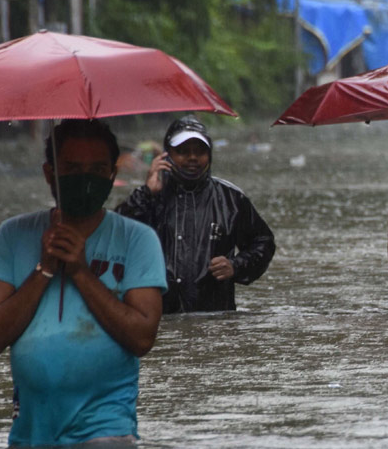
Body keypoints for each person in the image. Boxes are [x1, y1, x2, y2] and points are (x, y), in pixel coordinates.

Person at [0, 119, 166, 448]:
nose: (86, 177)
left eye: (97, 168)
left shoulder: (138, 239)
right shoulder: (12, 235)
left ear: (112, 173)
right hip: (31, 431)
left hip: (108, 428)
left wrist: (80, 270)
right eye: (72, 167)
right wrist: (45, 269)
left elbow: (141, 337)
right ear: (50, 174)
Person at [116, 116, 275, 314]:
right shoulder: (149, 197)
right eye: (182, 151)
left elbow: (263, 242)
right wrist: (146, 194)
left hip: (215, 318)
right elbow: (115, 237)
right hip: (157, 316)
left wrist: (236, 266)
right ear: (167, 155)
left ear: (209, 155)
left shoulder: (230, 199)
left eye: (199, 151)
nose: (192, 157)